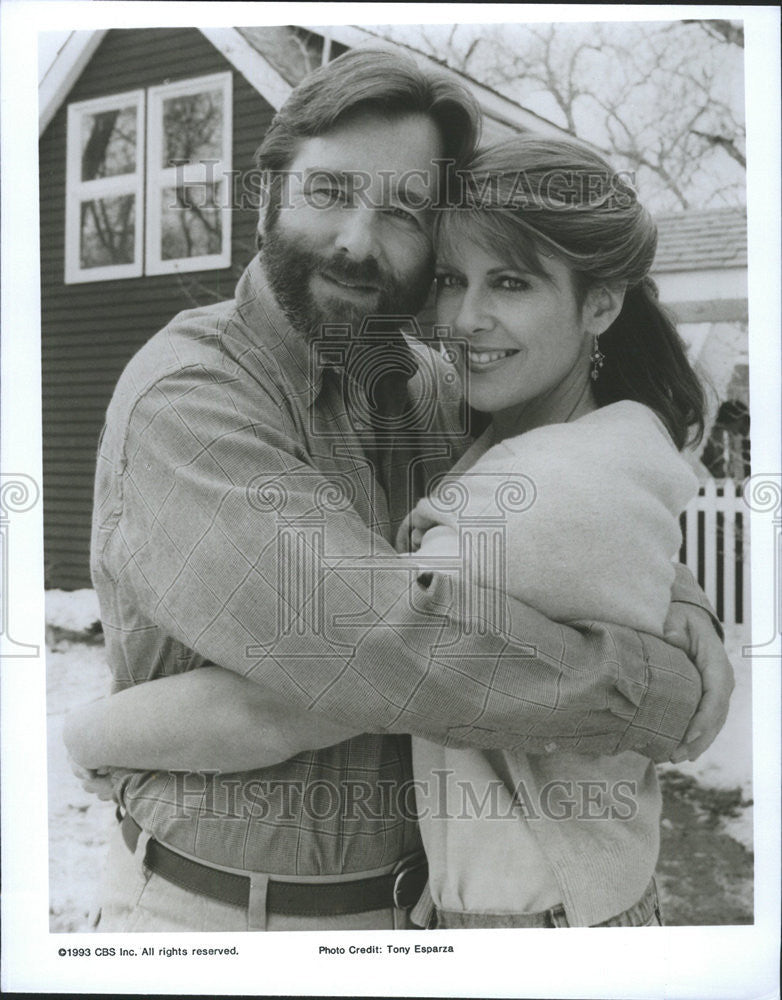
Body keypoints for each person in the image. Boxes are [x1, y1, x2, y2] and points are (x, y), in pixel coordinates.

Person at [65, 48, 733, 933]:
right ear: (272, 193)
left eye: (405, 212)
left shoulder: (429, 384)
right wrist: (652, 687)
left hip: (415, 917)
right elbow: (370, 652)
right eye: (332, 192)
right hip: (218, 918)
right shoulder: (192, 399)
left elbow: (570, 492)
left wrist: (680, 598)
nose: (357, 241)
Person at [396, 135, 705, 928]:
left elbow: (347, 654)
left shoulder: (555, 485)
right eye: (450, 281)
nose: (464, 320)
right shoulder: (576, 439)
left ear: (601, 304)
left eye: (509, 282)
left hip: (547, 932)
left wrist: (97, 740)